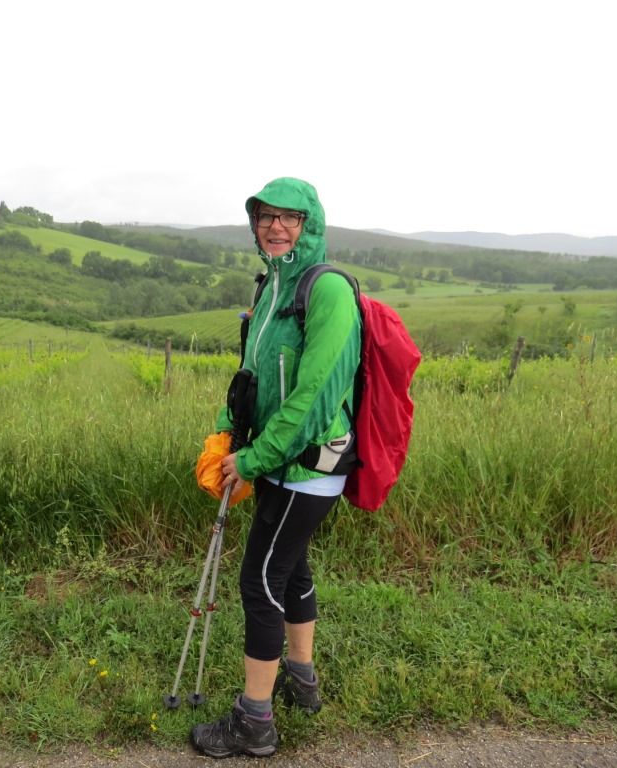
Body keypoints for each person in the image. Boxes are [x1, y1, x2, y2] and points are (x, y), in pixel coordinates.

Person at [190, 177, 361, 758]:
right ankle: (302, 681)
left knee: (260, 582)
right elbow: (249, 376)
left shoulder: (328, 289)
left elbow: (313, 398)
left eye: (290, 218)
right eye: (266, 217)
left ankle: (253, 722)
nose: (277, 227)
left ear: (310, 224)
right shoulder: (271, 286)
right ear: (255, 222)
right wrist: (224, 434)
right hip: (278, 465)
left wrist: (255, 458)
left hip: (307, 466)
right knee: (290, 569)